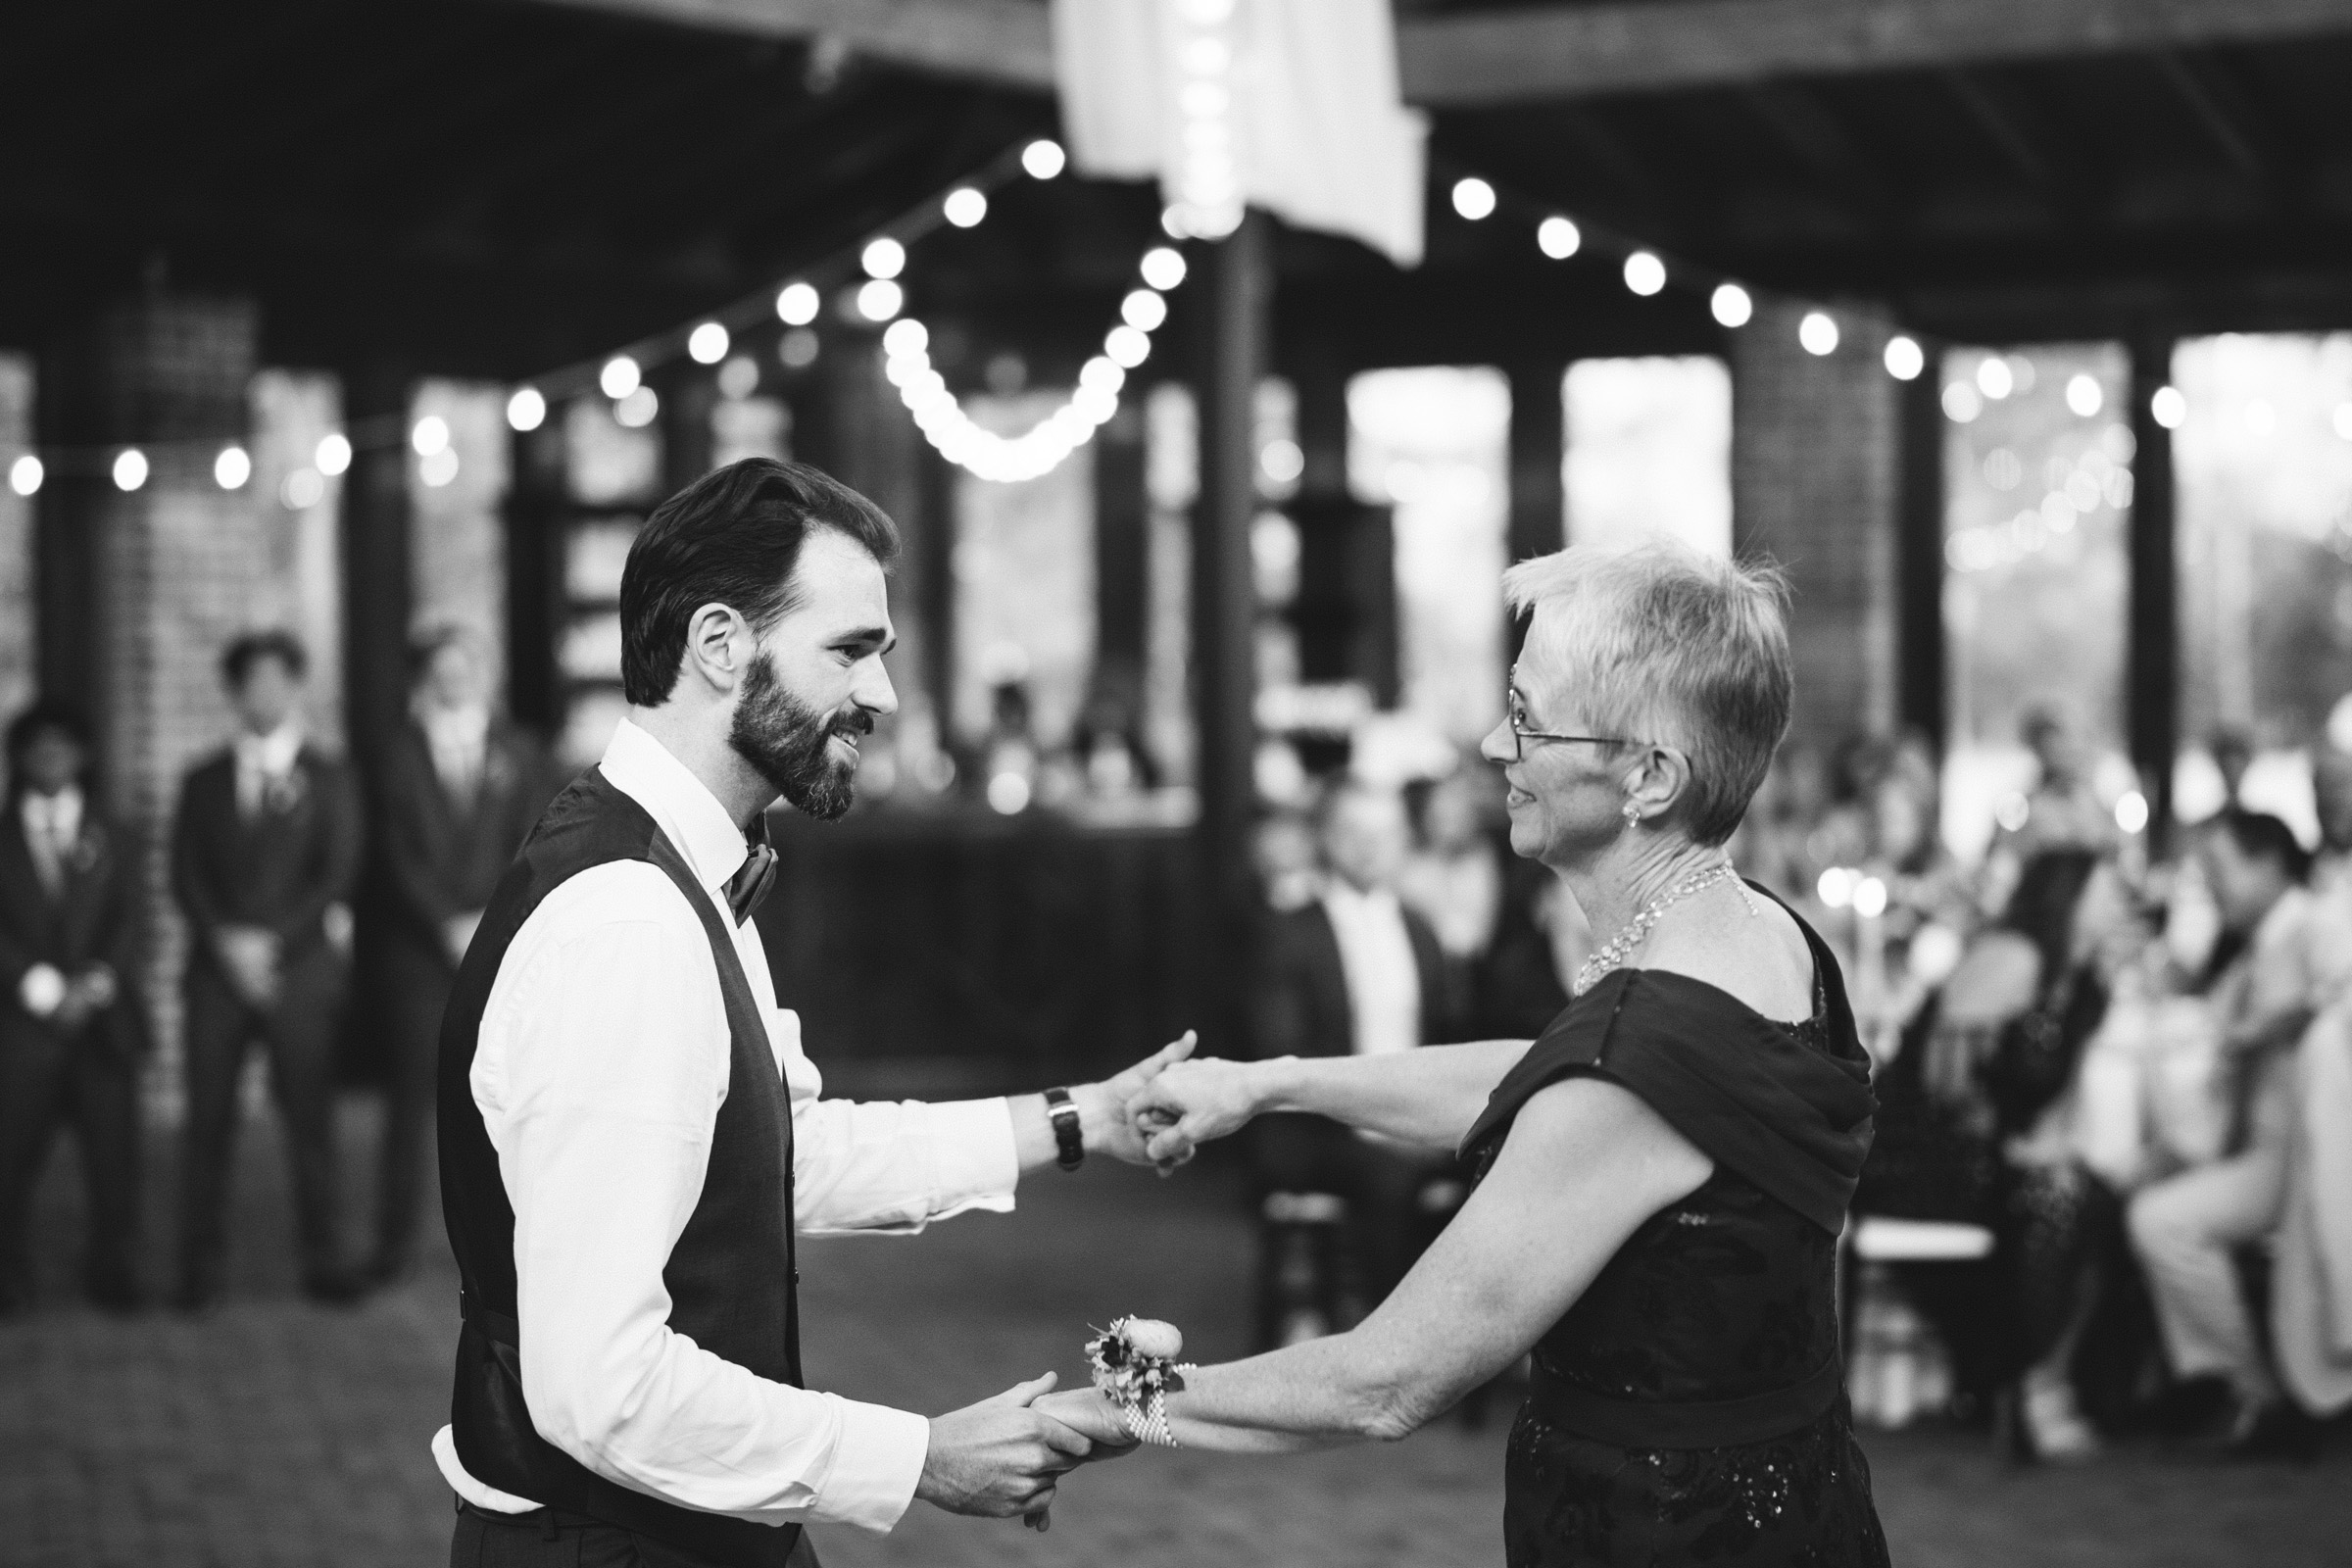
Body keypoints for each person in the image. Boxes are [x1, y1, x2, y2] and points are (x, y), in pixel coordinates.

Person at [434, 458, 1188, 1568]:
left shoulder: (690, 868)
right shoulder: (629, 924)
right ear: (720, 644)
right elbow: (599, 1385)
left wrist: (1087, 1118)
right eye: (851, 650)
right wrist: (916, 1457)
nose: (883, 696)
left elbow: (777, 1156)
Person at [1081, 539, 1890, 1567]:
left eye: (1528, 715)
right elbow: (1547, 1076)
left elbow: (1382, 1381)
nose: (1491, 741)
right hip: (1801, 1500)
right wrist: (1274, 1083)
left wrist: (1121, 1396)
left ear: (1647, 773)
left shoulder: (1641, 1054)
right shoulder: (1758, 934)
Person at [1856, 848, 2137, 1458]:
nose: (2123, 905)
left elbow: (2057, 1101)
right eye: (2109, 892)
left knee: (2098, 1198)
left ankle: (2044, 1378)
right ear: (2069, 897)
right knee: (2056, 1197)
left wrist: (2045, 1149)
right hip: (1924, 1153)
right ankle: (2029, 1387)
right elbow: (1944, 1083)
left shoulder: (2086, 985)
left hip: (2000, 1155)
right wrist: (2016, 1150)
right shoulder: (2013, 956)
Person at [2127, 809, 2342, 1454]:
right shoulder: (2255, 948)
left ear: (2270, 863)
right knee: (2147, 1200)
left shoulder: (2317, 925)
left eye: (2219, 868)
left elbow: (2340, 1002)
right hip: (2260, 1149)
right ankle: (2229, 1384)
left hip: (2303, 1155)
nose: (2210, 885)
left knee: (2161, 1220)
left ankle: (2252, 1387)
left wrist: (2257, 1032)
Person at [171, 631, 364, 1310]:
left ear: (295, 687)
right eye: (252, 682)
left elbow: (337, 872)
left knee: (311, 1124)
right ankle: (197, 1269)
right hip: (215, 976)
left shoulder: (331, 776)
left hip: (300, 975)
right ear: (233, 692)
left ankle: (324, 1259)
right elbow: (184, 875)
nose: (265, 694)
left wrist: (272, 944)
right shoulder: (200, 782)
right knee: (208, 1125)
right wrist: (229, 944)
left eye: (278, 681)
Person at [359, 625, 554, 1288]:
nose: (454, 681)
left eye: (463, 669)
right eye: (441, 671)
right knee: (411, 1103)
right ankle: (393, 1245)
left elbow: (535, 838)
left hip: (501, 951)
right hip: (420, 954)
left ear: (482, 673)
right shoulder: (395, 754)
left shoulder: (519, 750)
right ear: (426, 680)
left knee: (510, 1099)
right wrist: (444, 921)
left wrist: (488, 923)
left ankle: (512, 1248)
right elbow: (392, 851)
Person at [1250, 780, 1459, 1331]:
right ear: (1325, 838)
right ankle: (1387, 1339)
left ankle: (1473, 1336)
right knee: (1388, 1175)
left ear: (1404, 842)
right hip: (1321, 1128)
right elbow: (1282, 1055)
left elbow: (1448, 1036)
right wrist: (1376, 1116)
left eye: (1385, 834)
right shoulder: (1289, 932)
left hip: (1418, 1122)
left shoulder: (1419, 928)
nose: (1370, 848)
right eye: (1353, 833)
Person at [0, 702, 147, 1314]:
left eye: (64, 745)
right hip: (23, 1027)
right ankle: (9, 1280)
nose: (52, 757)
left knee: (114, 1163)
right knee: (11, 1161)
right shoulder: (2, 836)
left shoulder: (114, 832)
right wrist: (37, 984)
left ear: (83, 757)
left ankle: (113, 1274)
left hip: (101, 1023)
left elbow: (133, 916)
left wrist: (98, 980)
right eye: (39, 746)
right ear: (21, 757)